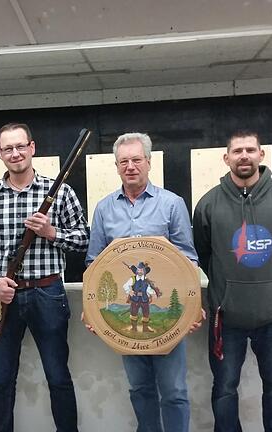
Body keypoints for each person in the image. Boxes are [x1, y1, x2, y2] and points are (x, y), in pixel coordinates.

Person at [0, 123, 89, 432]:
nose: (15, 153)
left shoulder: (60, 191)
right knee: (2, 379)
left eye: (20, 146)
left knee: (58, 376)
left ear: (32, 148)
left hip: (48, 293)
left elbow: (83, 239)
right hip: (3, 295)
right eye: (8, 148)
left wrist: (51, 233)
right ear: (0, 154)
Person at [85, 132, 202, 432]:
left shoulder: (172, 204)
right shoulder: (104, 209)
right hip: (124, 324)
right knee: (139, 389)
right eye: (123, 161)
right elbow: (94, 263)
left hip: (170, 318)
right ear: (116, 166)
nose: (130, 166)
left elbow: (188, 260)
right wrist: (92, 309)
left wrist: (192, 306)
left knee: (174, 391)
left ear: (149, 162)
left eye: (137, 159)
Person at [192, 130, 272, 432]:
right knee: (225, 389)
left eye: (250, 150)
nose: (244, 156)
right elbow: (204, 253)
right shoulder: (208, 205)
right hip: (226, 319)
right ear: (226, 158)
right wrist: (227, 290)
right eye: (237, 151)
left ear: (261, 155)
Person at [123, 262, 159, 332]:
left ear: (144, 271)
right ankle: (134, 328)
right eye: (138, 270)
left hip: (144, 299)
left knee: (146, 314)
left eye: (141, 270)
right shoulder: (132, 279)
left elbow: (149, 289)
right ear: (136, 271)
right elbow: (125, 286)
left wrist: (153, 293)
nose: (140, 271)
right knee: (133, 313)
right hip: (135, 299)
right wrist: (129, 291)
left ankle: (145, 329)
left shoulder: (146, 280)